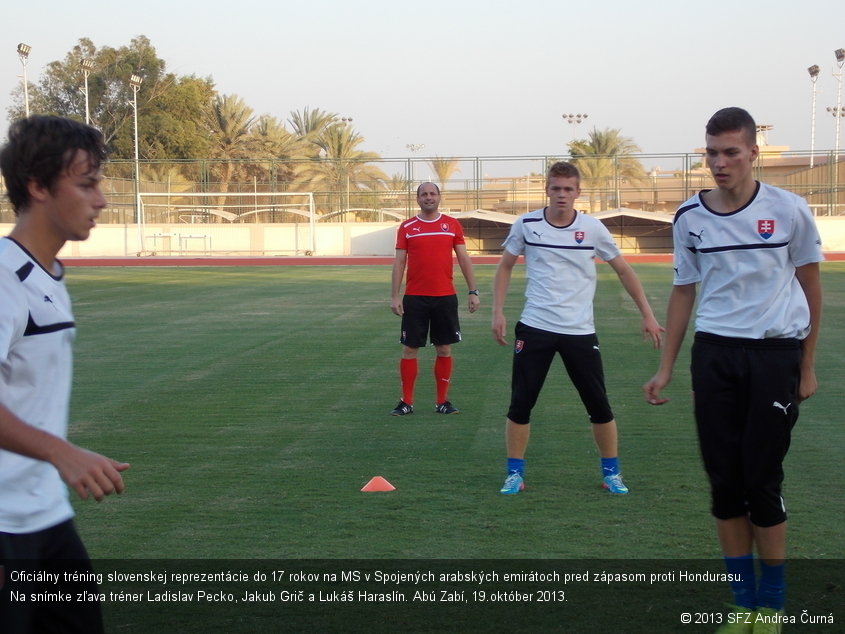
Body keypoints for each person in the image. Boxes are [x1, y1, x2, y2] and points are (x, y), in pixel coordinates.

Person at [643, 107, 823, 631]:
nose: (719, 163)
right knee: (724, 482)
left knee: (761, 479)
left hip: (774, 355)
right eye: (712, 153)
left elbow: (812, 288)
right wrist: (666, 367)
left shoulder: (789, 210)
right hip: (715, 354)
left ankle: (772, 603)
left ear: (752, 154)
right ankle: (741, 602)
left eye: (730, 152)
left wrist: (806, 367)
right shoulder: (690, 218)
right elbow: (683, 291)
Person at [0, 115, 130, 634]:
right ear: (37, 186)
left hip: (44, 515)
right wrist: (61, 451)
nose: (100, 200)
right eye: (86, 183)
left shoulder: (48, 274)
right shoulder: (6, 279)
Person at [492, 161, 662, 495]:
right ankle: (515, 474)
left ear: (578, 193)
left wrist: (648, 313)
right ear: (547, 190)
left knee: (598, 405)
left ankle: (612, 473)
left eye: (568, 189)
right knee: (521, 404)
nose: (561, 195)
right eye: (556, 188)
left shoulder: (593, 229)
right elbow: (504, 267)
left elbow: (624, 270)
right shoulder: (526, 224)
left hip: (580, 331)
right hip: (535, 327)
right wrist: (497, 312)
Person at [390, 182, 480, 415]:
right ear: (417, 198)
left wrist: (473, 291)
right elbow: (400, 262)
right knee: (410, 349)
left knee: (444, 348)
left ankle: (442, 401)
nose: (428, 197)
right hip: (415, 298)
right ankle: (406, 402)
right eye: (424, 194)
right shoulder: (407, 227)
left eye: (432, 193)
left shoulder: (451, 225)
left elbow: (463, 258)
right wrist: (395, 295)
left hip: (445, 297)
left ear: (439, 197)